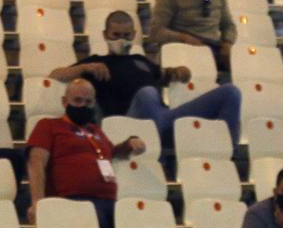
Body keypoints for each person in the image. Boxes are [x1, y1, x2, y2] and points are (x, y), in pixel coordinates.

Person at [52, 10, 242, 147]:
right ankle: (156, 142)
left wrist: (178, 72)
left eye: (126, 35)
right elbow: (55, 75)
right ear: (105, 35)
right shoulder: (96, 63)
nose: (121, 39)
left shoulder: (141, 61)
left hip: (164, 120)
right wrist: (85, 67)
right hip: (128, 125)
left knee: (230, 93)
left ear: (134, 35)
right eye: (115, 35)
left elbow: (164, 75)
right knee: (147, 94)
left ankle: (226, 150)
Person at [25, 79, 147, 228]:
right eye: (78, 101)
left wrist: (129, 145)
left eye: (88, 102)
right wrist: (37, 202)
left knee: (139, 226)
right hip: (72, 200)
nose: (83, 106)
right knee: (97, 225)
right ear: (64, 102)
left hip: (107, 201)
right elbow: (36, 162)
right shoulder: (49, 126)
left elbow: (110, 153)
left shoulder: (96, 131)